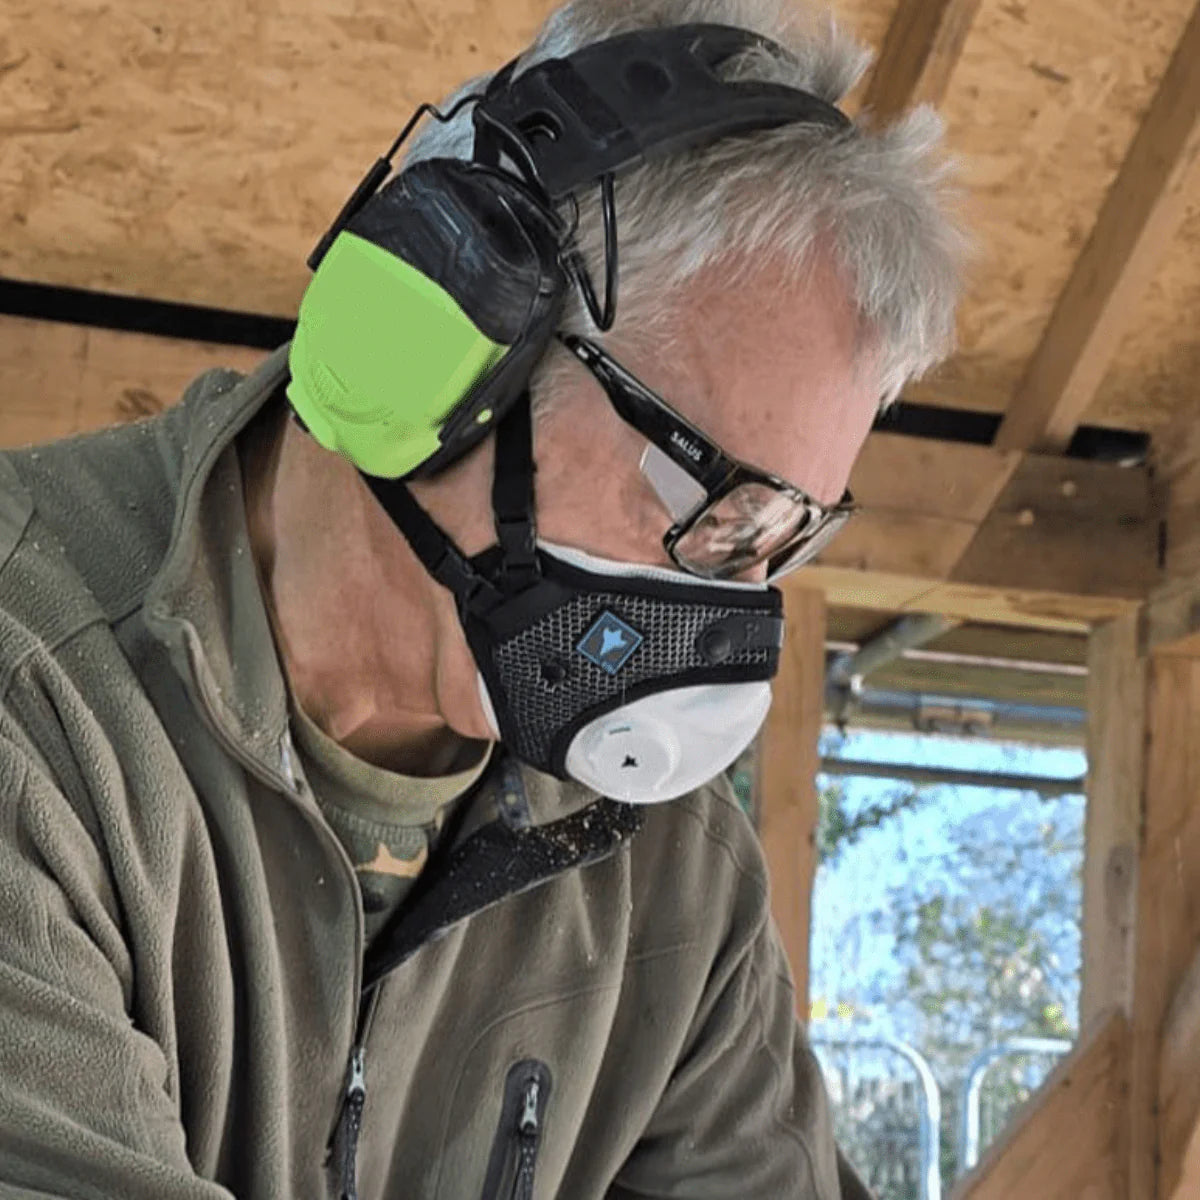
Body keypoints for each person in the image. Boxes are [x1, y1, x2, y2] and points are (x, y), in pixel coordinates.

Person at [0, 1, 963, 1197]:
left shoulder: (668, 866)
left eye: (782, 534)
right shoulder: (33, 704)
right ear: (444, 343)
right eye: (715, 498)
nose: (735, 598)